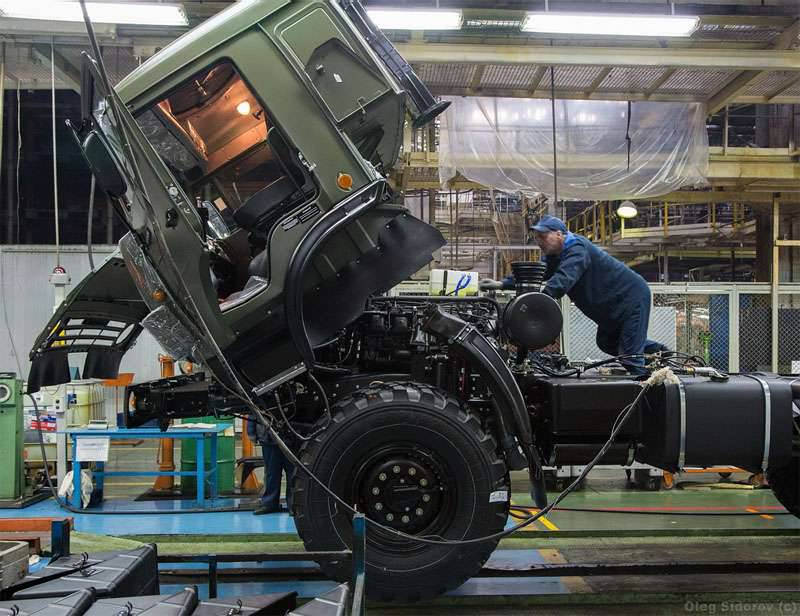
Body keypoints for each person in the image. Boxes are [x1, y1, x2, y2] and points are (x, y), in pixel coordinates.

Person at [484, 215, 668, 374]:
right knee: (606, 343)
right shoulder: (555, 257)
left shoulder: (577, 248)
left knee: (630, 357)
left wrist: (536, 305)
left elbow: (562, 281)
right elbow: (536, 274)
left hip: (629, 300)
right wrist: (501, 284)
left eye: (543, 236)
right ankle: (661, 354)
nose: (539, 241)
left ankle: (651, 392)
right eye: (536, 237)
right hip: (611, 310)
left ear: (559, 234)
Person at [247, 417, 294, 515]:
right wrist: (251, 432)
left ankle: (293, 504)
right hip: (268, 438)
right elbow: (253, 411)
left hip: (292, 438)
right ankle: (270, 503)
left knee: (292, 473)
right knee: (272, 473)